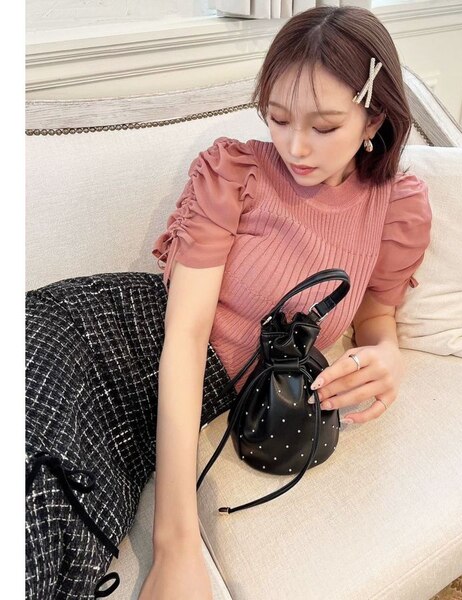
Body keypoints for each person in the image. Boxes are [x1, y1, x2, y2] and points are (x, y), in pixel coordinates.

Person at [24, 5, 431, 600]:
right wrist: (177, 544)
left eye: (324, 127)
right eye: (278, 118)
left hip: (165, 395)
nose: (296, 146)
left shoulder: (397, 206)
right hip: (98, 338)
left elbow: (375, 314)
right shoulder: (236, 170)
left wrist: (387, 354)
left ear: (374, 119)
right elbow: (186, 337)